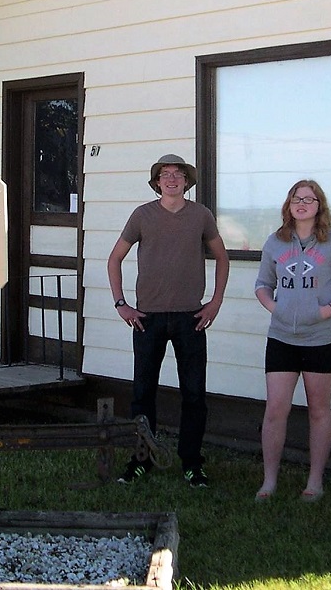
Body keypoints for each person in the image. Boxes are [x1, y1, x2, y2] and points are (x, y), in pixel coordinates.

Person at [107, 153, 229, 488]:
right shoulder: (142, 215)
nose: (172, 179)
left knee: (193, 394)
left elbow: (221, 257)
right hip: (148, 318)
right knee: (143, 392)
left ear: (186, 181)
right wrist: (121, 304)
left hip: (191, 318)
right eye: (165, 174)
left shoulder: (200, 215)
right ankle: (141, 460)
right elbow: (115, 258)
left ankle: (192, 463)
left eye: (178, 174)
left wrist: (215, 303)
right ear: (157, 181)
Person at [254, 179, 331, 502]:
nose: (302, 204)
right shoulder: (275, 243)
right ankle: (269, 482)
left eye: (309, 199)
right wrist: (277, 308)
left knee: (318, 410)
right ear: (288, 206)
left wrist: (327, 311)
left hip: (322, 340)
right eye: (297, 199)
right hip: (282, 338)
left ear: (319, 206)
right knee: (275, 409)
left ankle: (314, 482)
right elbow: (262, 285)